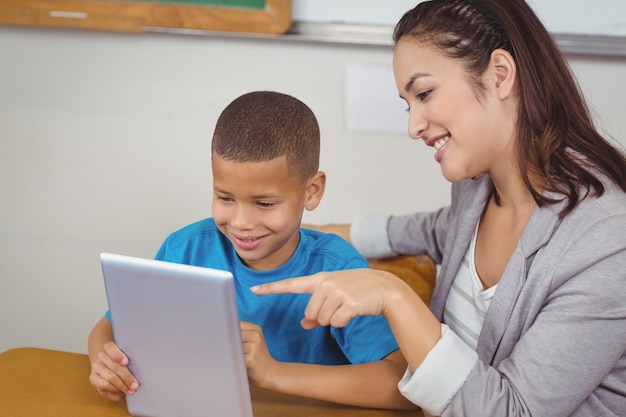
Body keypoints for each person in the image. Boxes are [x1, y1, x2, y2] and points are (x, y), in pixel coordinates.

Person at [250, 1, 626, 416]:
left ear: (499, 74)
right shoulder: (478, 191)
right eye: (408, 104)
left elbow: (514, 411)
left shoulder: (607, 242)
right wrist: (297, 233)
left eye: (424, 94)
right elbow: (426, 231)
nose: (413, 126)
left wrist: (394, 296)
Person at [87, 91, 415, 410]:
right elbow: (110, 326)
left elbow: (403, 387)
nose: (241, 222)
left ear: (311, 192)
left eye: (264, 203)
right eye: (225, 198)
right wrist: (105, 359)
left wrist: (273, 373)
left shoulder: (339, 269)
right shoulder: (185, 249)